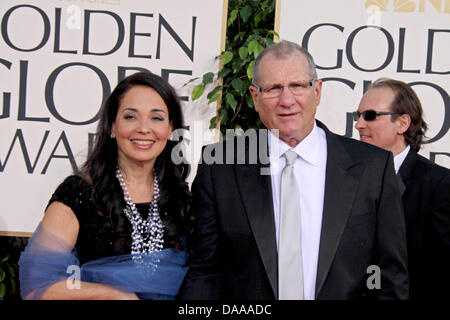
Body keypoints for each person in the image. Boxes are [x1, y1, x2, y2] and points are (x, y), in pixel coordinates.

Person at [179, 40, 409, 300]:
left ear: (317, 91)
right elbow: (205, 272)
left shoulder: (372, 167)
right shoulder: (220, 165)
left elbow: (390, 278)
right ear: (255, 97)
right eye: (274, 88)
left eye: (298, 86)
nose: (287, 100)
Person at [19, 71, 192, 300]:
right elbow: (37, 287)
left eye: (157, 118)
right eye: (130, 117)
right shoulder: (79, 194)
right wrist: (113, 295)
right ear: (111, 126)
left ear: (171, 129)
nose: (144, 128)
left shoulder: (181, 197)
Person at [354, 78, 450, 300]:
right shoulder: (348, 176)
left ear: (403, 123)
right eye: (356, 116)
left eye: (369, 115)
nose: (359, 124)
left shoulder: (438, 185)